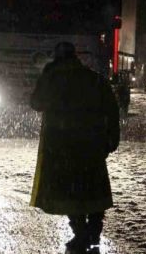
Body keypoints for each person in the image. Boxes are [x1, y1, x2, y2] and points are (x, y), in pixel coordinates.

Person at [29, 42, 120, 253]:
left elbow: (36, 103)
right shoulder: (94, 79)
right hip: (92, 144)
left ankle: (81, 233)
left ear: (56, 58)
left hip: (60, 146)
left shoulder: (52, 78)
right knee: (93, 187)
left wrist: (45, 75)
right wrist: (111, 138)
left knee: (69, 191)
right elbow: (112, 109)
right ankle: (94, 231)